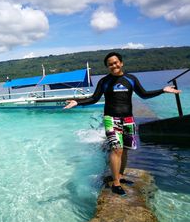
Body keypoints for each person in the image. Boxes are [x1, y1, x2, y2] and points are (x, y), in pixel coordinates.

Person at [64, 52, 181, 196]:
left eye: (115, 62)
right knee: (116, 149)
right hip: (111, 118)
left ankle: (120, 176)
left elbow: (144, 94)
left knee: (125, 149)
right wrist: (77, 102)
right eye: (110, 64)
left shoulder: (130, 79)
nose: (113, 66)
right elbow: (94, 98)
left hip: (128, 119)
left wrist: (162, 90)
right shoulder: (104, 81)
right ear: (107, 67)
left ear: (121, 63)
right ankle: (116, 183)